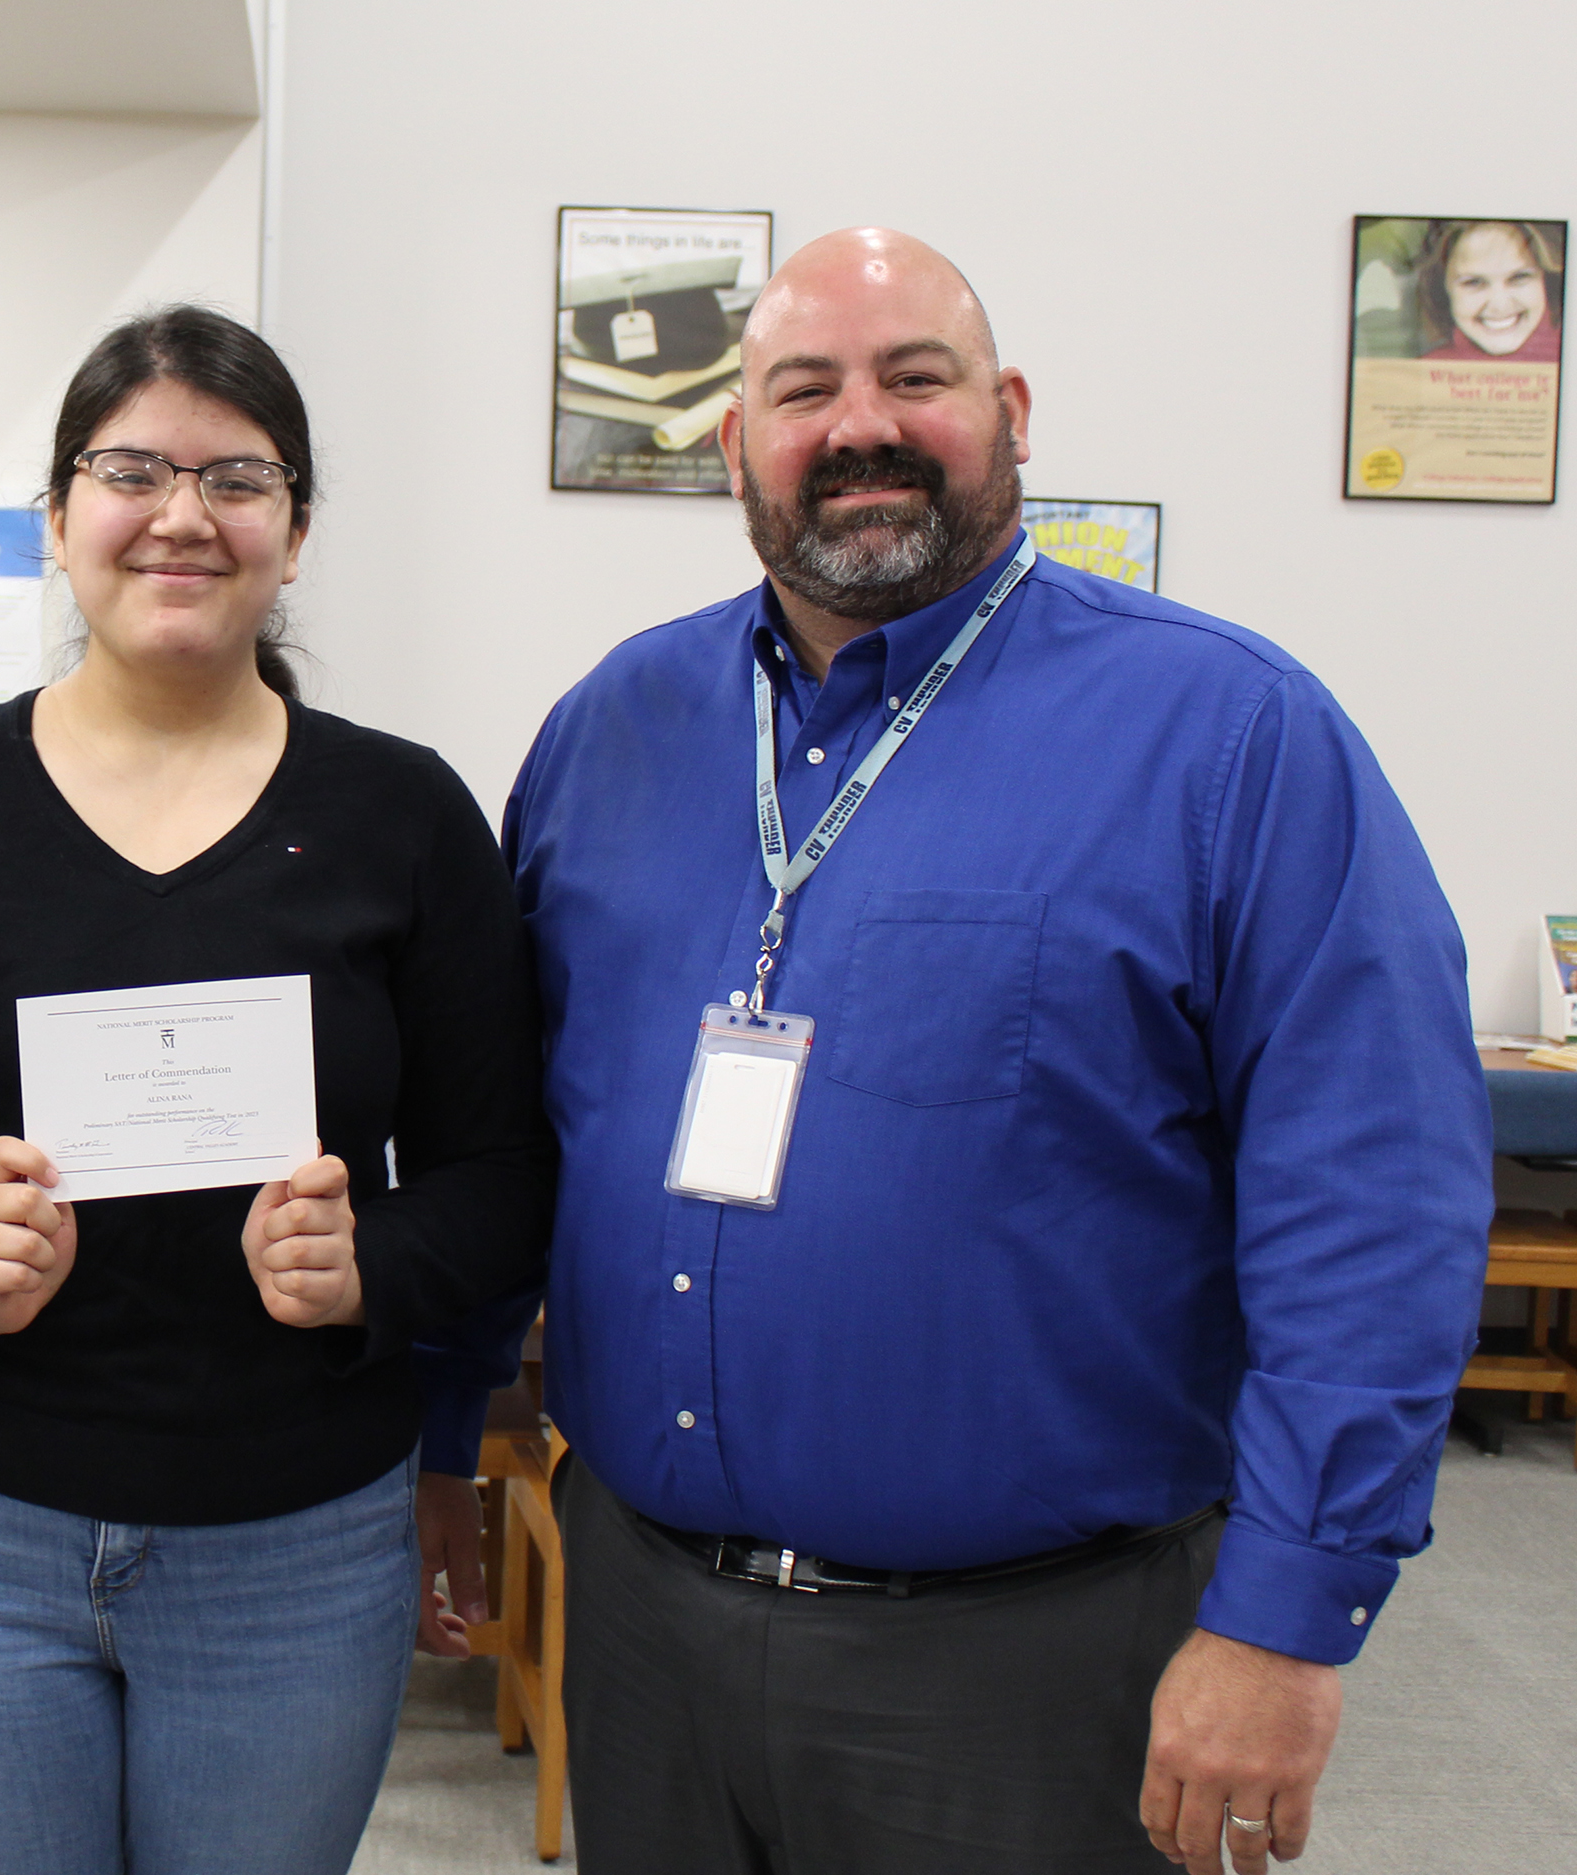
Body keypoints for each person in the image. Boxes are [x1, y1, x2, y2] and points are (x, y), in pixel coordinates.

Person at [419, 228, 1492, 1875]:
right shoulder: (610, 732)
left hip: (1033, 1671)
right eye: (804, 390)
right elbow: (519, 1135)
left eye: (917, 379)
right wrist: (447, 1451)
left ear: (1009, 413)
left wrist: (1287, 1623)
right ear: (734, 447)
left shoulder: (1231, 741)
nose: (863, 425)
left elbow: (1376, 1203)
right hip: (645, 1633)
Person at [0, 305, 554, 1875]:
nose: (182, 513)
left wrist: (372, 1260)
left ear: (295, 532)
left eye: (236, 477)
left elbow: (504, 1170)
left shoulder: (403, 811)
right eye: (130, 469)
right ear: (57, 520)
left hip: (296, 1539)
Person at [1418, 218, 1563, 361]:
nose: (1499, 306)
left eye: (1519, 278)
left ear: (1546, 281)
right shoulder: (1424, 373)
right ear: (1444, 288)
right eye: (1474, 282)